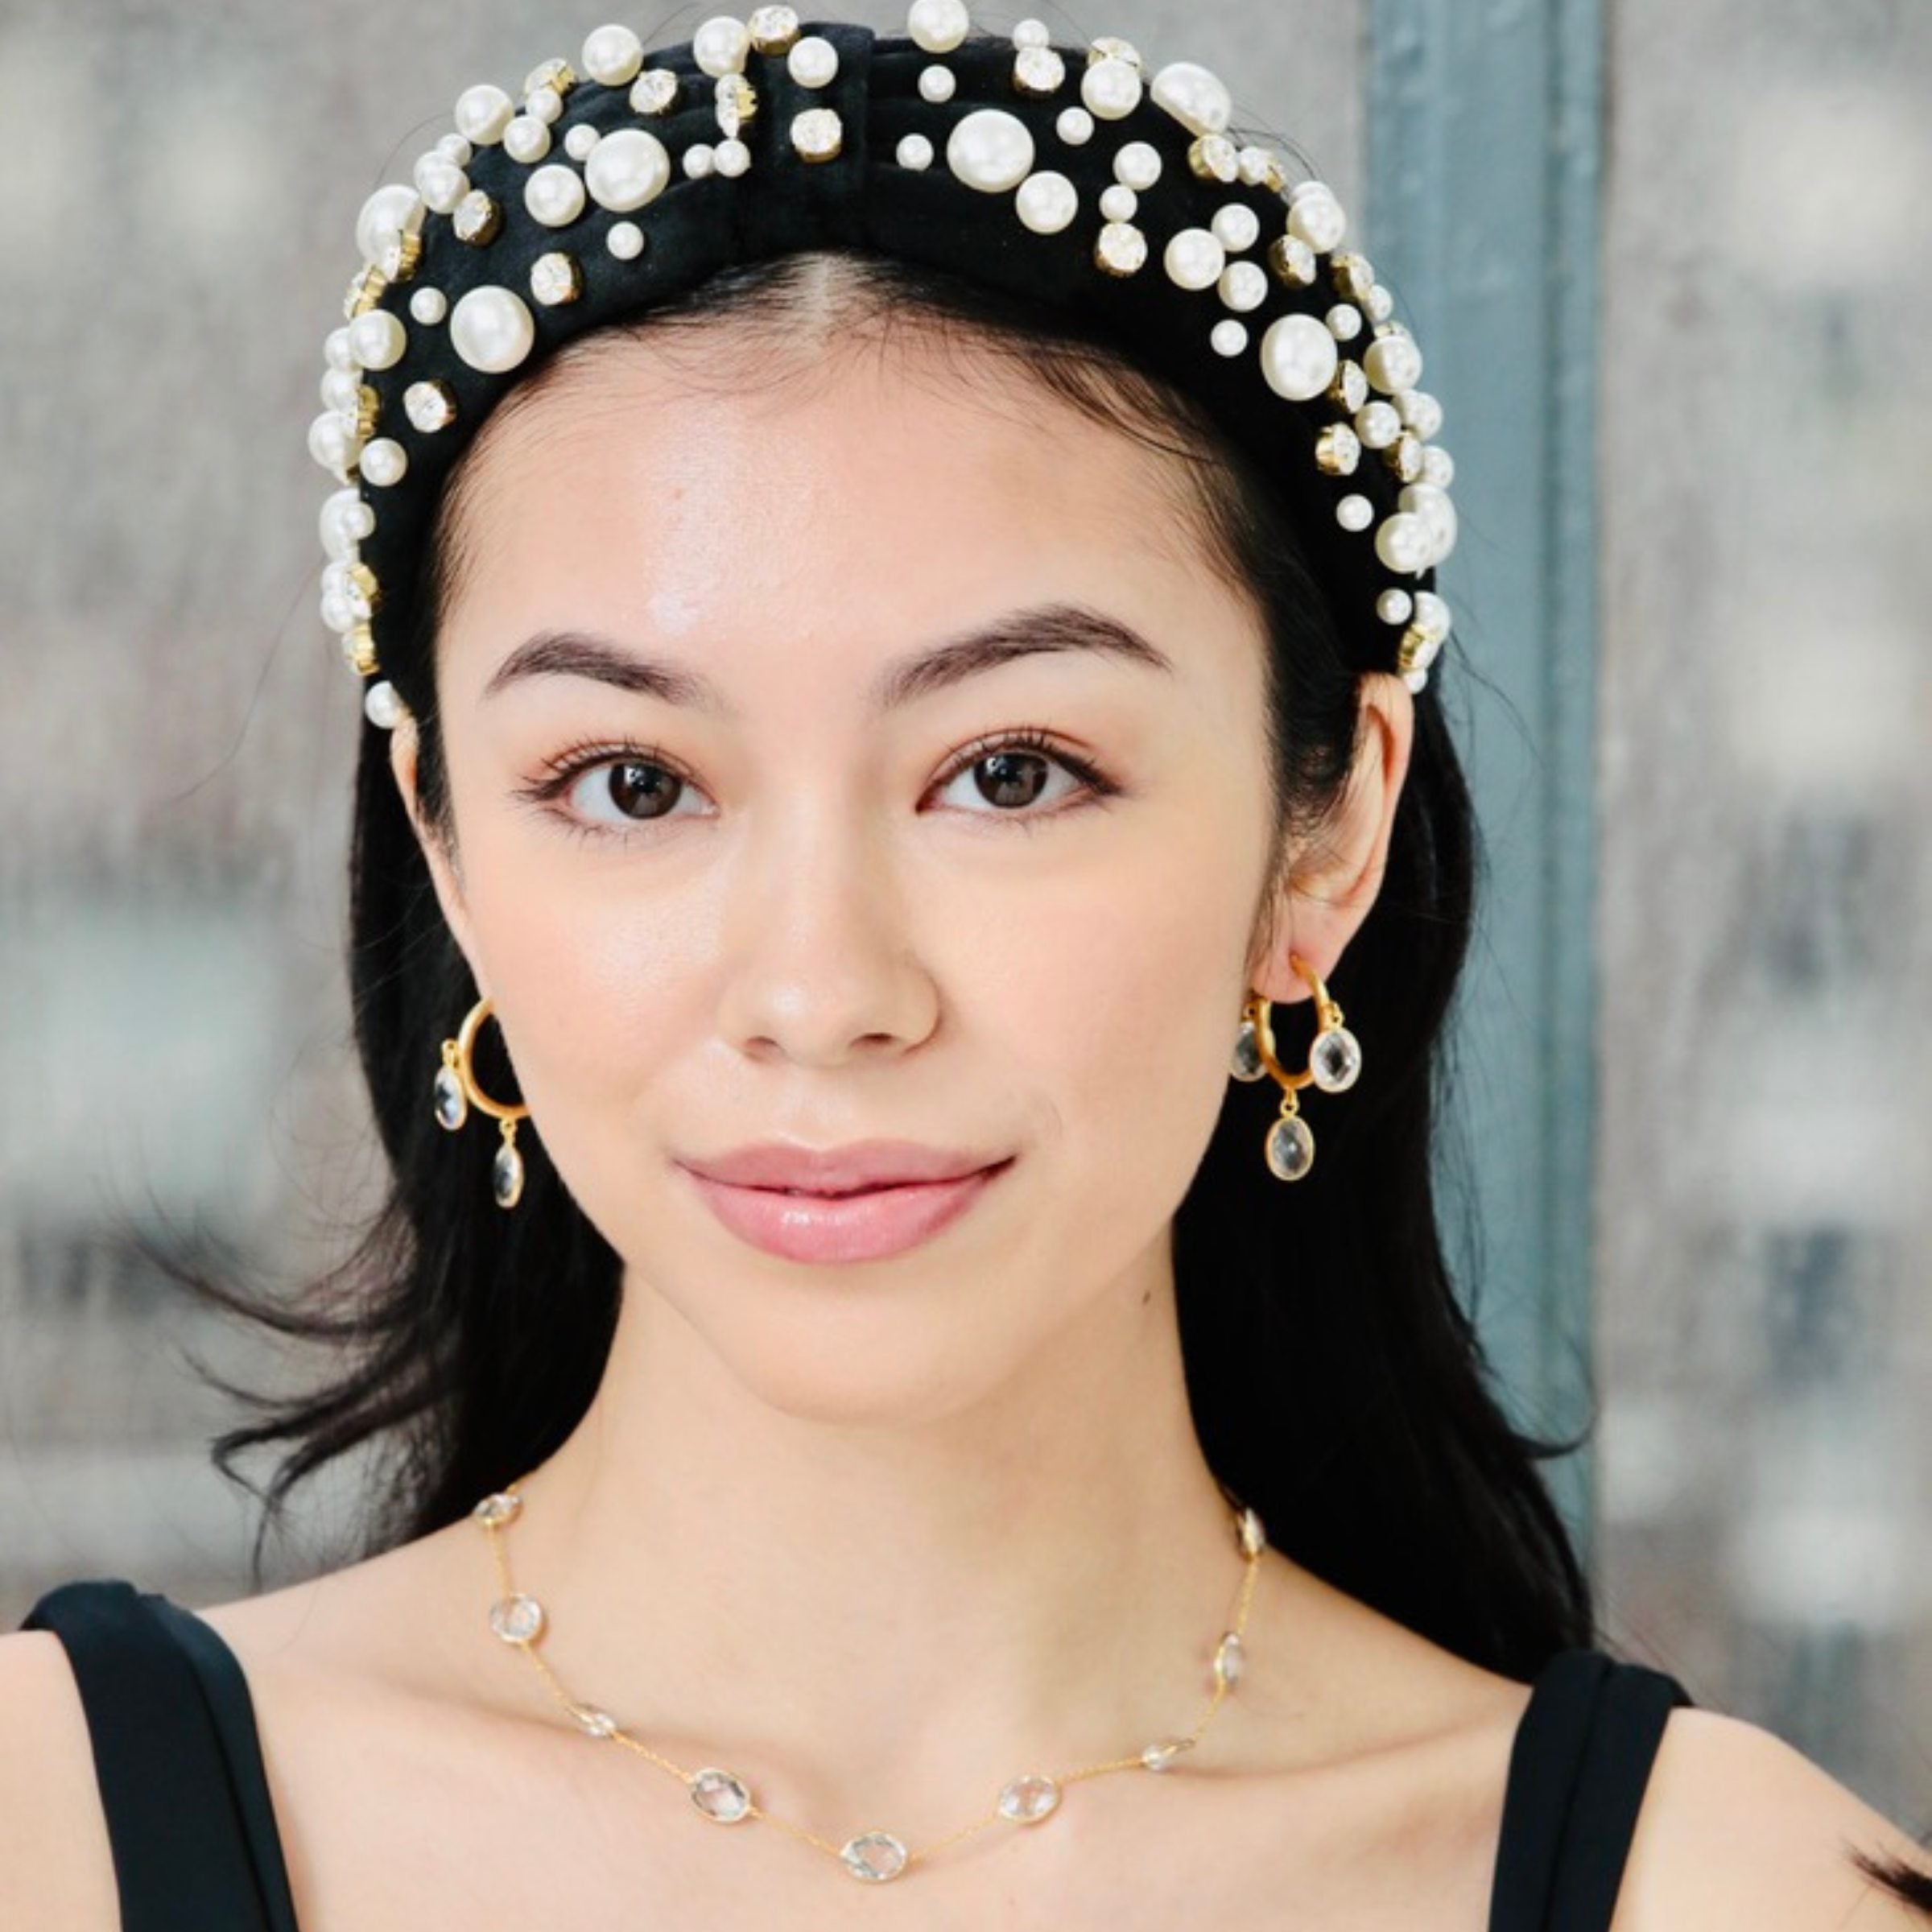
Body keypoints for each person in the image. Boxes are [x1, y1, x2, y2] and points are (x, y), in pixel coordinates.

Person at [6, 7, 1929, 1927]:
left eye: (1010, 772)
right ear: (448, 848)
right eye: (631, 783)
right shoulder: (52, 1832)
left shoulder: (1728, 1892)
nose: (822, 991)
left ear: (1325, 836)